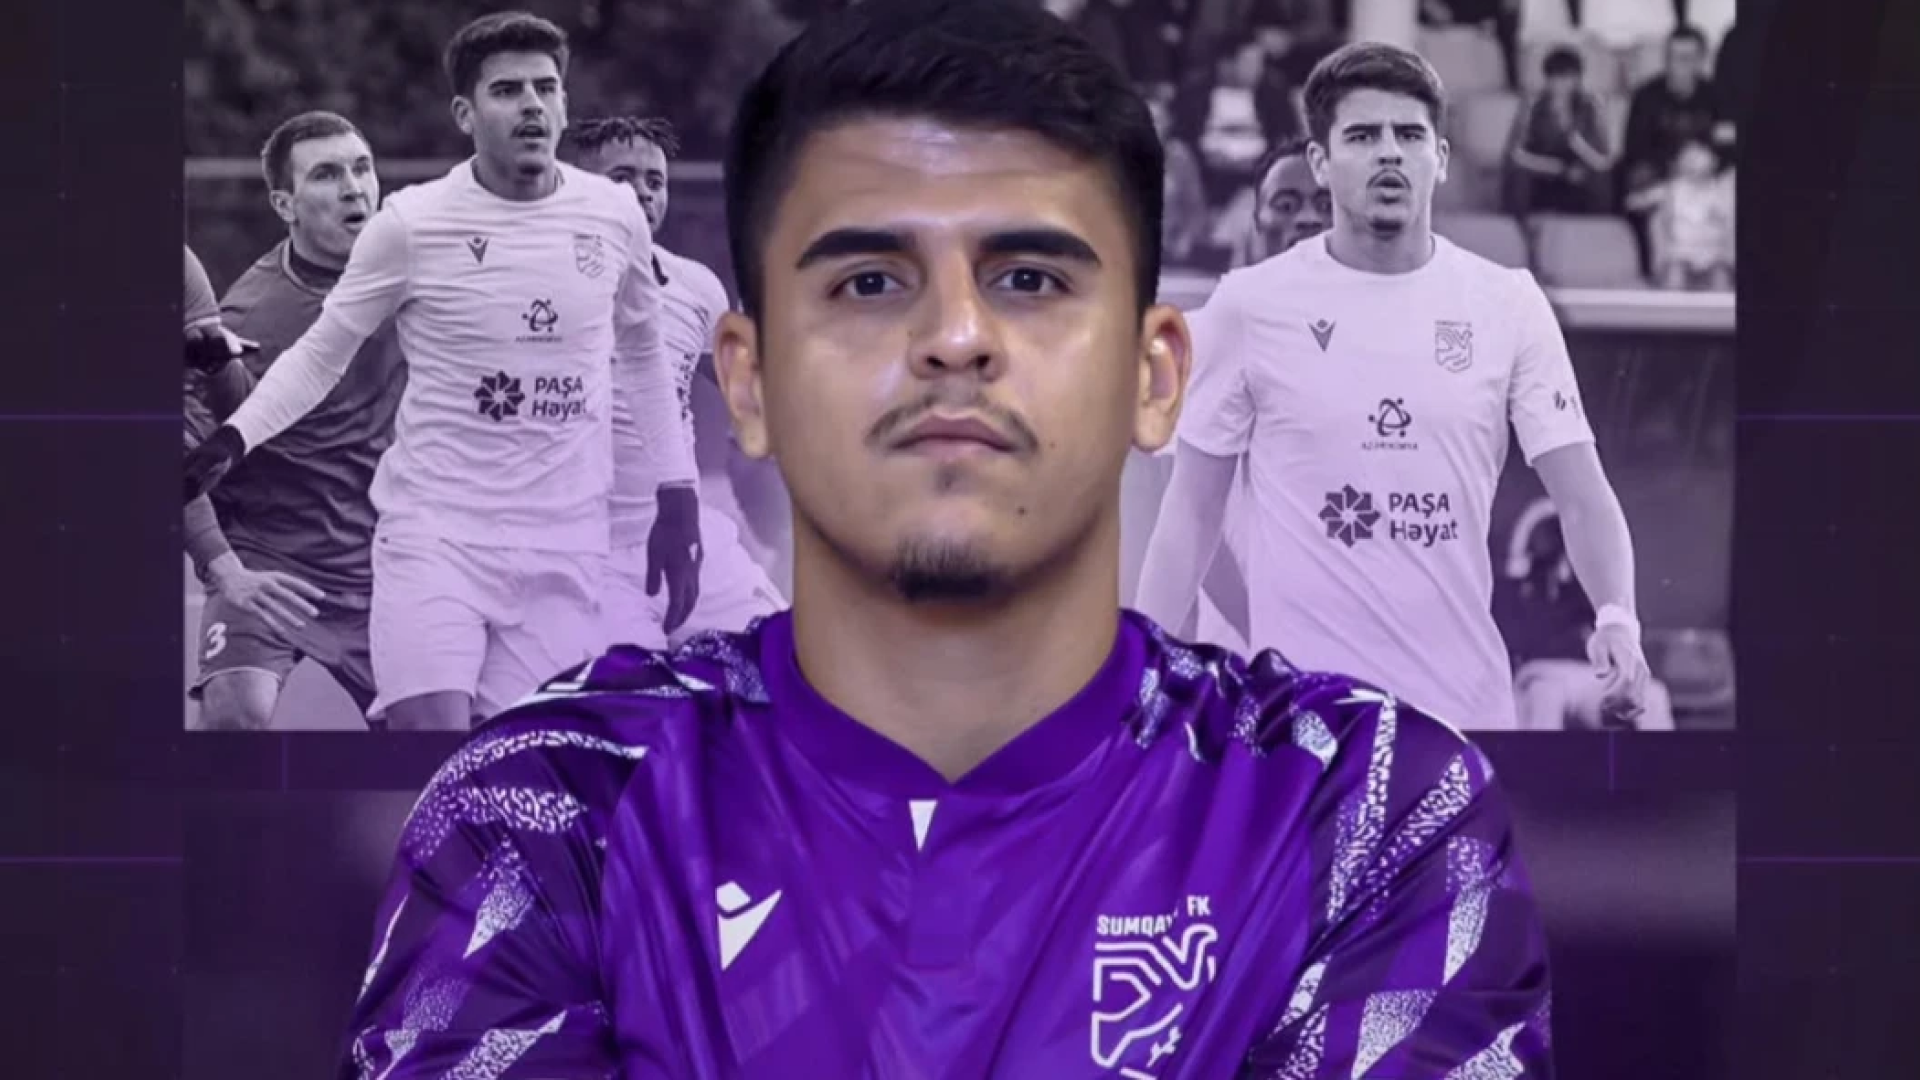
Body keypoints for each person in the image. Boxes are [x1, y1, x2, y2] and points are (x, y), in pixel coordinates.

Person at [341, 3, 1552, 1076]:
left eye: (1030, 279)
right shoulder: (549, 807)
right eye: (870, 282)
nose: (957, 339)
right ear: (748, 383)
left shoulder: (1366, 809)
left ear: (1154, 376)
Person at [182, 12, 701, 731]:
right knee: (424, 743)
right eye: (507, 90)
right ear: (465, 113)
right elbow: (321, 353)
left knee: (529, 758)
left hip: (563, 547)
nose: (531, 105)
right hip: (434, 538)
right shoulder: (412, 225)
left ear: (564, 103)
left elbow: (643, 354)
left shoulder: (614, 215)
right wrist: (233, 439)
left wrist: (679, 492)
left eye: (545, 88)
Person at [1137, 41, 1652, 731]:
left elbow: (1583, 498)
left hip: (1463, 718)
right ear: (1322, 162)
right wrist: (1141, 675)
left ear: (1440, 158)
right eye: (1362, 136)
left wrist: (1618, 617)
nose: (1389, 152)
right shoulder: (1249, 306)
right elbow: (1190, 518)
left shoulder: (1507, 303)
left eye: (1409, 135)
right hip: (1304, 729)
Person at [187, 111, 401, 731]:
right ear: (285, 204)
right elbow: (186, 458)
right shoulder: (249, 318)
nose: (354, 187)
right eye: (327, 175)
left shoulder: (422, 278)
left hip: (390, 565)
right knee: (234, 719)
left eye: (361, 168)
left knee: (436, 743)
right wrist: (224, 566)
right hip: (273, 560)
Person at [563, 115, 788, 646]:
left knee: (781, 662)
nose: (643, 192)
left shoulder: (695, 286)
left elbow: (749, 392)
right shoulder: (540, 287)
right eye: (622, 178)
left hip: (685, 534)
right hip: (590, 553)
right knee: (637, 689)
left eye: (655, 181)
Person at [1494, 499, 1676, 730]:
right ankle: (1539, 755)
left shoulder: (1588, 590)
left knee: (1654, 695)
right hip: (1543, 673)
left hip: (1589, 674)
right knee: (1545, 695)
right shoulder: (1521, 590)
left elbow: (1615, 625)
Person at [1504, 45, 1612, 215]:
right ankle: (1521, 226)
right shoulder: (1533, 106)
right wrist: (1560, 170)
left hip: (1580, 174)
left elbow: (1602, 160)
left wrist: (1575, 139)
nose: (1560, 85)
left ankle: (1599, 224)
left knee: (1602, 179)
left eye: (1567, 78)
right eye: (1554, 78)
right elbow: (1516, 154)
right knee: (1518, 177)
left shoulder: (1589, 107)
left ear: (1577, 80)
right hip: (1545, 173)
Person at [1626, 136, 1734, 291]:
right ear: (1680, 163)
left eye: (1699, 155)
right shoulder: (1672, 189)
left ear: (1713, 161)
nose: (1693, 161)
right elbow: (1635, 202)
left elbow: (1728, 219)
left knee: (1721, 279)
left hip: (1714, 252)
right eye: (1688, 157)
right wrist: (1644, 202)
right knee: (1675, 276)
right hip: (1680, 251)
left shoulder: (1720, 190)